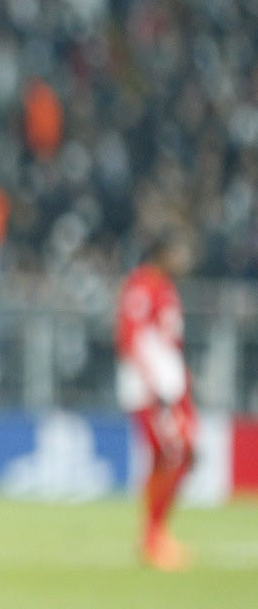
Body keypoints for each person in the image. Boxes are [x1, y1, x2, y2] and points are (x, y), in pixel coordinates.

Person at [114, 229, 199, 571]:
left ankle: (155, 534)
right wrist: (156, 386)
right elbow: (132, 337)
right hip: (153, 391)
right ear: (161, 254)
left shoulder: (164, 286)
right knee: (174, 454)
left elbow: (167, 342)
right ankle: (153, 537)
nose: (183, 259)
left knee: (176, 455)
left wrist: (182, 379)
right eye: (177, 252)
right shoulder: (142, 285)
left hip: (170, 388)